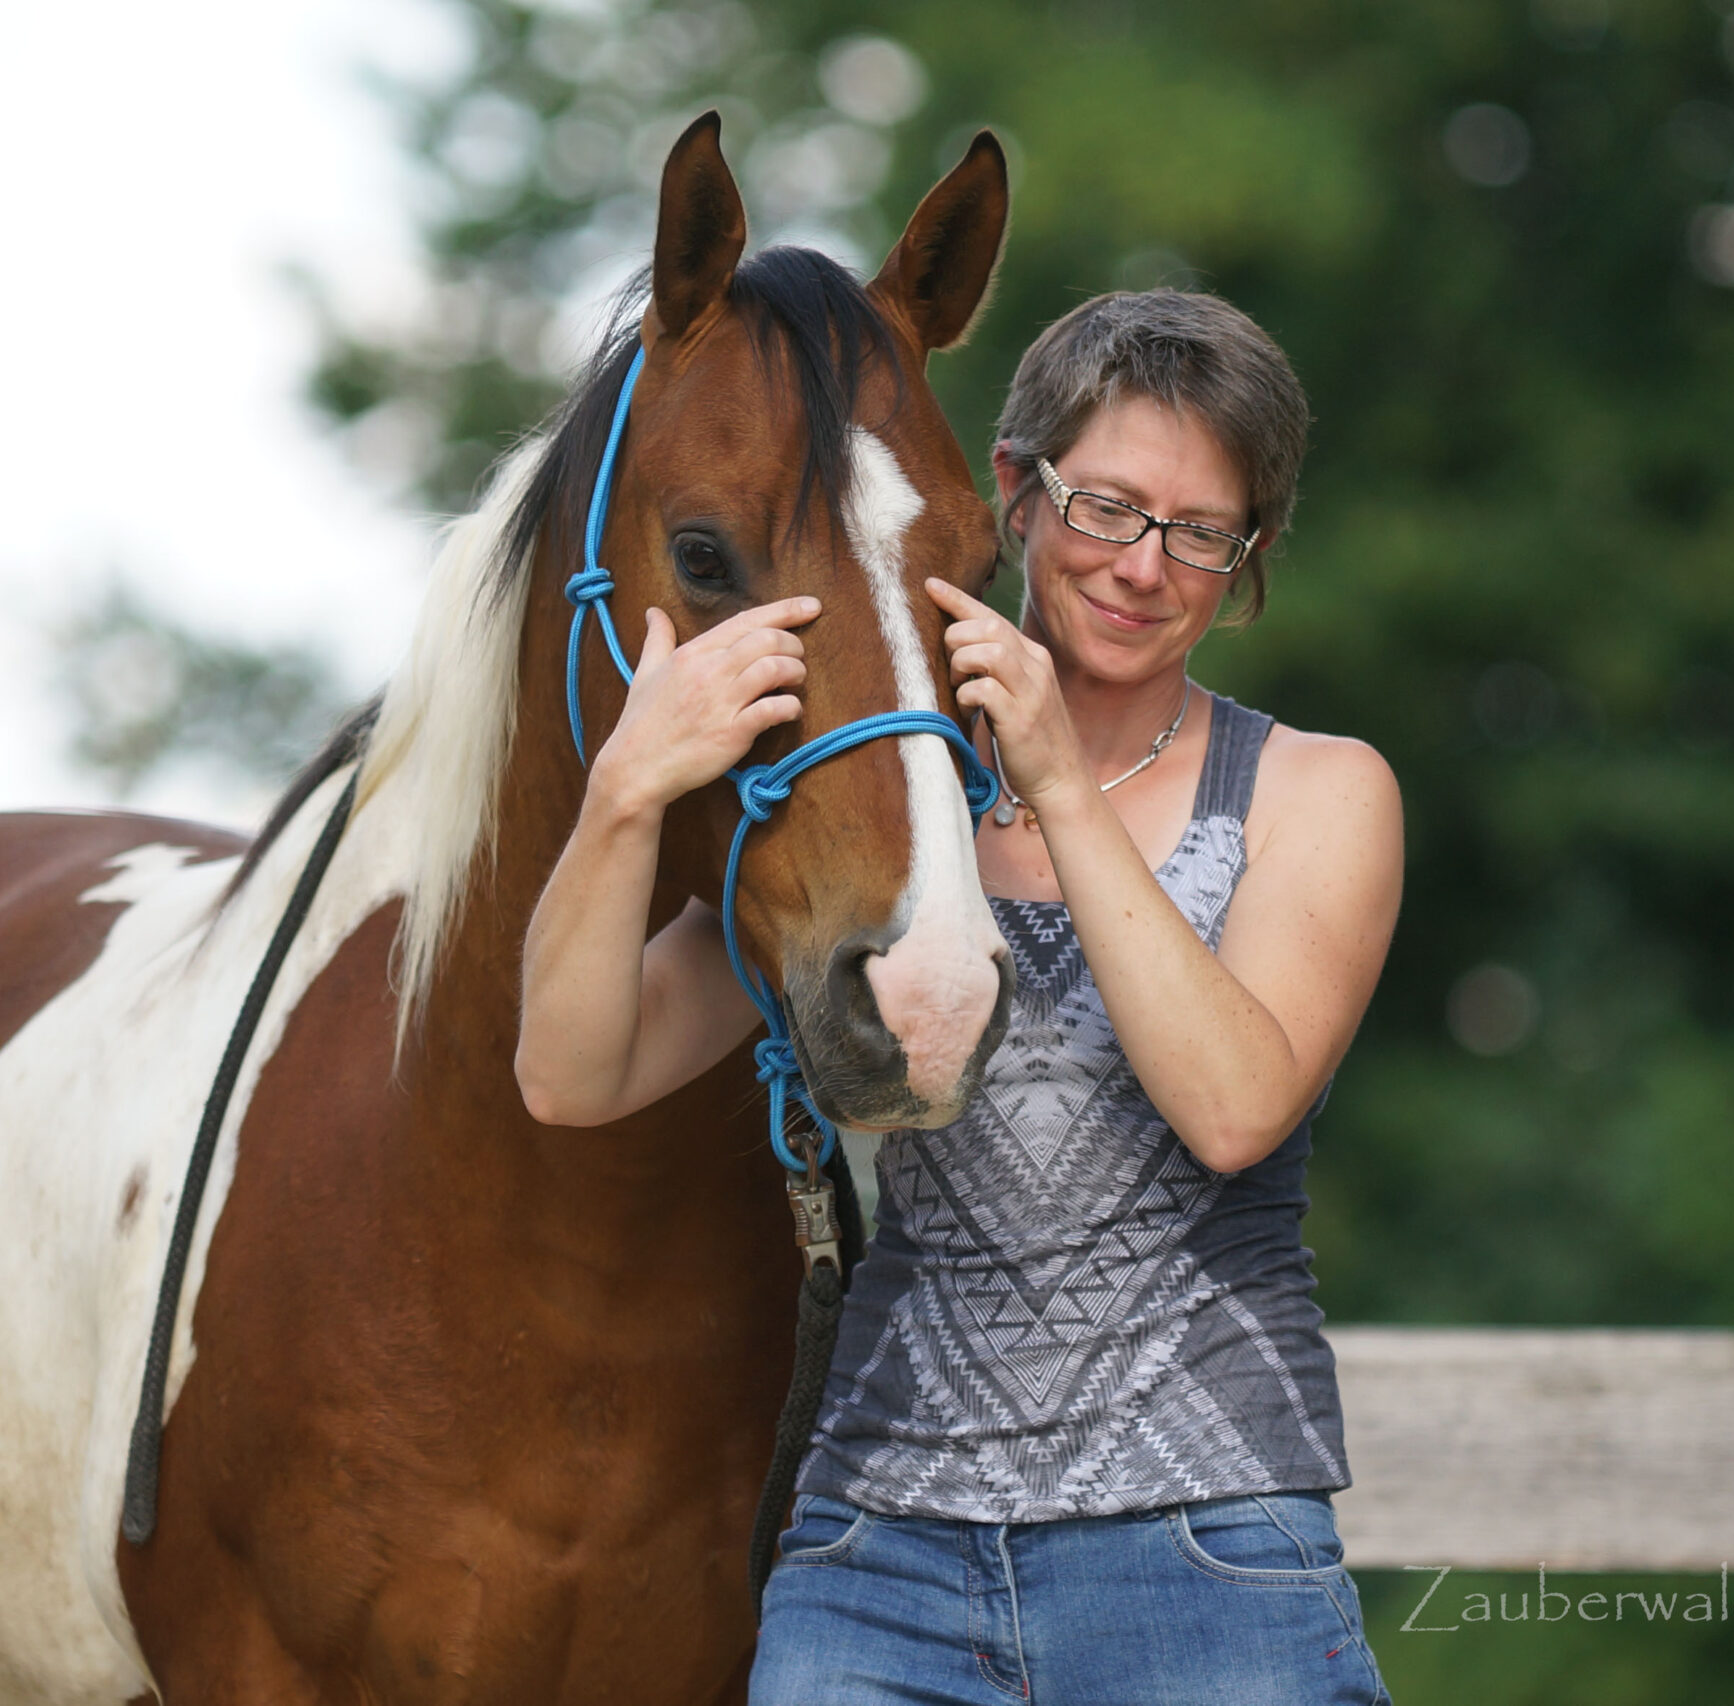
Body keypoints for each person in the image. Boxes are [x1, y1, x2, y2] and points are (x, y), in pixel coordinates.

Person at [518, 287, 1403, 1704]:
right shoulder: (891, 809)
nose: (1141, 566)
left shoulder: (1315, 790)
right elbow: (573, 1071)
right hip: (880, 1562)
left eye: (1199, 532)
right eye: (1107, 506)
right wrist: (626, 792)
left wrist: (1055, 782)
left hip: (1205, 1553)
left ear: (1248, 559)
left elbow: (1235, 1107)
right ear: (1015, 489)